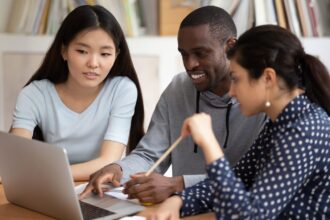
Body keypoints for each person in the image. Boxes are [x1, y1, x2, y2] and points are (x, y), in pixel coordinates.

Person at [81, 6, 265, 203]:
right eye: (184, 54)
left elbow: (252, 177)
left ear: (230, 47)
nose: (189, 64)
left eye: (200, 53)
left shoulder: (260, 99)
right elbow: (149, 155)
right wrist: (118, 169)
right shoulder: (178, 87)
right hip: (181, 209)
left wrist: (177, 184)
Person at [148, 24, 330, 219]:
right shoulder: (281, 123)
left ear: (268, 78)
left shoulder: (302, 131)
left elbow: (247, 216)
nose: (232, 91)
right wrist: (180, 200)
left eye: (236, 79)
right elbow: (239, 179)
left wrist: (209, 143)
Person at [9, 5, 145, 181]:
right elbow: (16, 161)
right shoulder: (34, 95)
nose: (93, 63)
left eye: (105, 54)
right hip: (50, 189)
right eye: (82, 51)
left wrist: (44, 174)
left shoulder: (122, 90)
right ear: (64, 51)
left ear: (116, 55)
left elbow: (108, 161)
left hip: (99, 188)